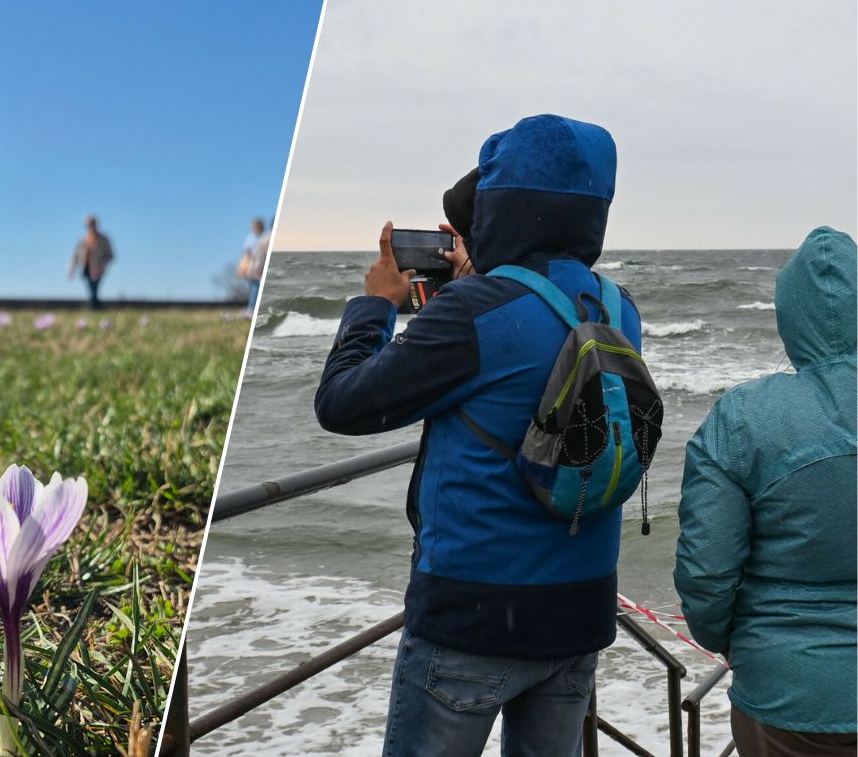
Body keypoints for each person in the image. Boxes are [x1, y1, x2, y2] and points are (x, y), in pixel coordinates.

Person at [314, 115, 639, 757]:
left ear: (501, 206)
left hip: (474, 618)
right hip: (580, 612)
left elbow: (343, 402)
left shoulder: (473, 313)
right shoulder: (616, 306)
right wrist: (477, 280)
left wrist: (377, 304)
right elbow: (522, 350)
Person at [674, 227, 856, 757]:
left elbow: (706, 572)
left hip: (787, 693)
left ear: (789, 318)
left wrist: (739, 645)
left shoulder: (744, 417)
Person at [68, 214, 114, 310]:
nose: (90, 227)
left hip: (98, 268)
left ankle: (94, 307)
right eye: (87, 225)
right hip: (86, 267)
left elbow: (110, 255)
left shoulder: (103, 239)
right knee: (91, 289)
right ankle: (95, 308)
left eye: (92, 224)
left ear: (96, 224)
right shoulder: (83, 240)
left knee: (95, 289)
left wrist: (102, 265)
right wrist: (71, 270)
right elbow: (75, 256)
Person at [238, 217, 269, 316]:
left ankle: (252, 309)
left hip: (258, 266)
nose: (253, 228)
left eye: (254, 226)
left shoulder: (265, 237)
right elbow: (246, 254)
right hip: (252, 267)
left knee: (256, 287)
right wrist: (243, 267)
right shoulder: (251, 238)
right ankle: (252, 308)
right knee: (254, 287)